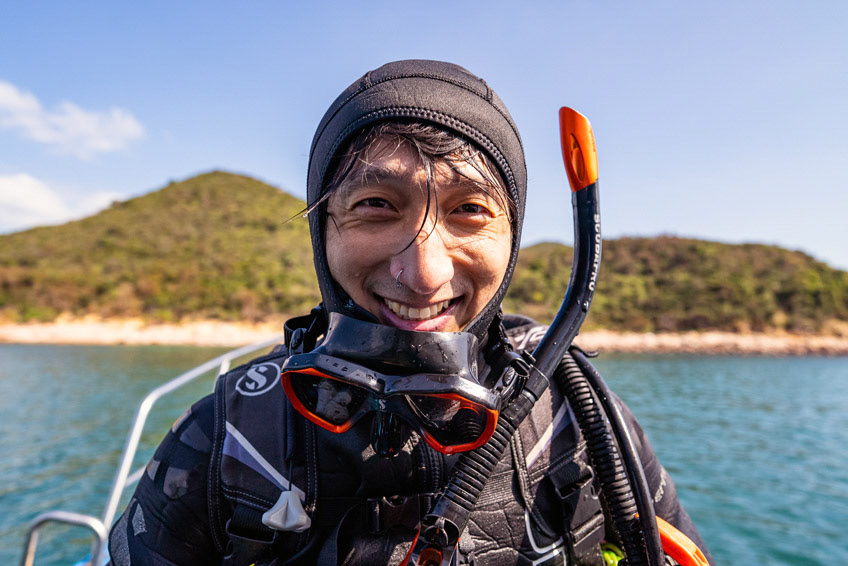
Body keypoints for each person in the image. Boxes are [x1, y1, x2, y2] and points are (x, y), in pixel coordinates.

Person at [108, 59, 714, 565]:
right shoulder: (231, 436)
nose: (425, 274)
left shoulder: (581, 422)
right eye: (376, 204)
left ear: (514, 237)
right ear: (322, 233)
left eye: (469, 210)